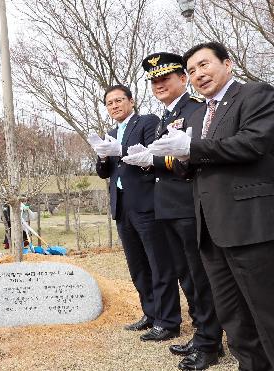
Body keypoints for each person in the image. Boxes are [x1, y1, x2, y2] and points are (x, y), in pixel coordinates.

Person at [149, 41, 274, 371]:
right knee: (234, 319)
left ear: (227, 64)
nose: (198, 74)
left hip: (249, 226)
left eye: (204, 65)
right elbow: (199, 161)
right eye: (191, 71)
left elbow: (254, 142)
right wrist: (177, 157)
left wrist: (193, 148)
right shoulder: (202, 113)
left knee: (266, 313)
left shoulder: (255, 95)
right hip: (211, 230)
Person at [122, 52, 224, 370]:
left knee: (198, 275)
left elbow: (187, 157)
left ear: (183, 78)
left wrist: (152, 159)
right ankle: (202, 333)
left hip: (186, 203)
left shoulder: (193, 109)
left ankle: (210, 340)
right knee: (185, 276)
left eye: (165, 78)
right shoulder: (166, 116)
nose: (159, 85)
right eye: (154, 81)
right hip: (165, 205)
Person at [89, 85, 181, 342]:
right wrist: (104, 157)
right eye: (110, 103)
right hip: (121, 206)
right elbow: (104, 172)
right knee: (138, 266)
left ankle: (169, 321)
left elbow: (156, 155)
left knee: (159, 264)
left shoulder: (147, 122)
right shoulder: (109, 132)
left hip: (146, 203)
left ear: (131, 101)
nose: (115, 106)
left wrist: (124, 152)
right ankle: (150, 314)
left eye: (119, 100)